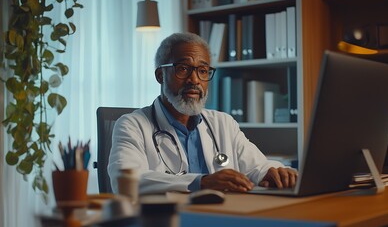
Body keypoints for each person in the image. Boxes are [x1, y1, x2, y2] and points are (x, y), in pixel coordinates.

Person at [108, 32, 298, 195]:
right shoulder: (132, 125)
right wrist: (201, 182)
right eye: (183, 69)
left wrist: (276, 172)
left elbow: (257, 166)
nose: (194, 80)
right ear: (160, 76)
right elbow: (125, 180)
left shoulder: (223, 123)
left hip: (223, 217)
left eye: (203, 70)